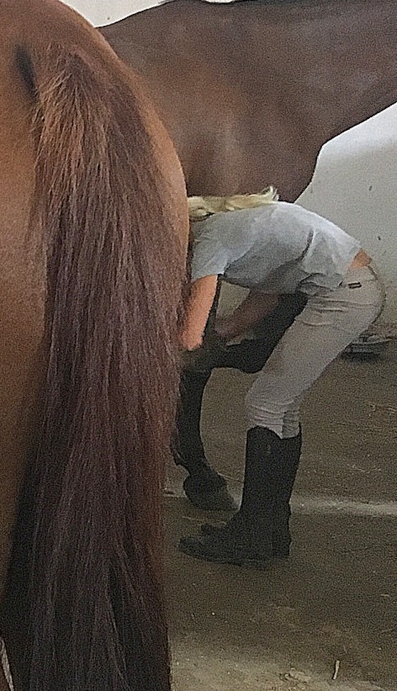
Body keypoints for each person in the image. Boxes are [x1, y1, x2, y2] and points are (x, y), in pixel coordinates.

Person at [176, 189, 383, 567]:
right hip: (349, 287)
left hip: (342, 294)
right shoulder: (230, 225)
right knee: (280, 408)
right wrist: (223, 336)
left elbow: (190, 338)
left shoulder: (210, 242)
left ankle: (251, 534)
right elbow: (266, 297)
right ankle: (271, 529)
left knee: (266, 403)